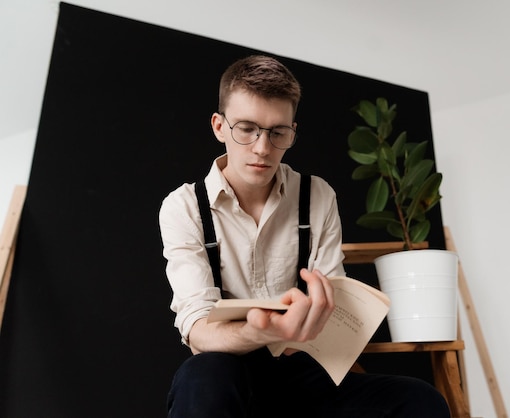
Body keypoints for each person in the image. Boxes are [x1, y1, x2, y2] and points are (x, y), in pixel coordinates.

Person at [159, 55, 450, 418]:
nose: (263, 148)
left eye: (277, 132)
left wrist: (325, 318)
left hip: (303, 371)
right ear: (219, 126)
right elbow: (198, 330)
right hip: (226, 374)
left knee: (420, 400)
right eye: (246, 129)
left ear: (292, 131)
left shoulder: (317, 196)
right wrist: (264, 331)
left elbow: (334, 299)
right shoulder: (183, 207)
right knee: (202, 378)